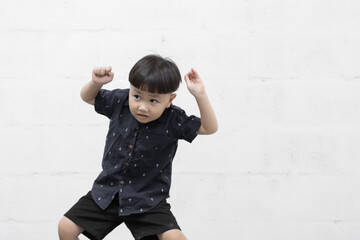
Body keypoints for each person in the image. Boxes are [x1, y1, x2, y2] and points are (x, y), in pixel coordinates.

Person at [58, 54, 218, 240]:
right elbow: (88, 97)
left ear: (169, 100)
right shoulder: (120, 102)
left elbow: (209, 127)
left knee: (175, 238)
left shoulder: (173, 120)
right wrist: (96, 82)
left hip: (148, 198)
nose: (142, 107)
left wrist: (200, 95)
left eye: (153, 100)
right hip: (109, 191)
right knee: (66, 227)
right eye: (137, 96)